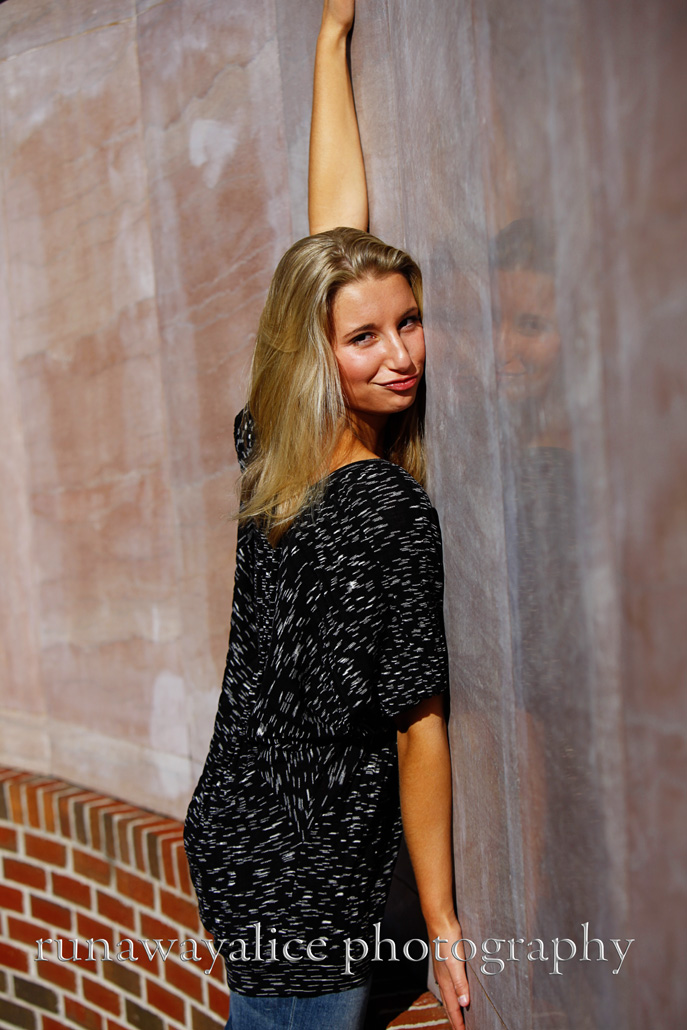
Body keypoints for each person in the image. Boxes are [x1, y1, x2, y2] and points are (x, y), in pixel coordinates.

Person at [183, 2, 470, 1027]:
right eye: (365, 339)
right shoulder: (386, 507)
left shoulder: (271, 450)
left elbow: (327, 245)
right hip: (310, 875)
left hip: (230, 826)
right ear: (318, 351)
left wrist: (330, 40)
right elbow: (418, 728)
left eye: (411, 321)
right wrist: (441, 920)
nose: (400, 355)